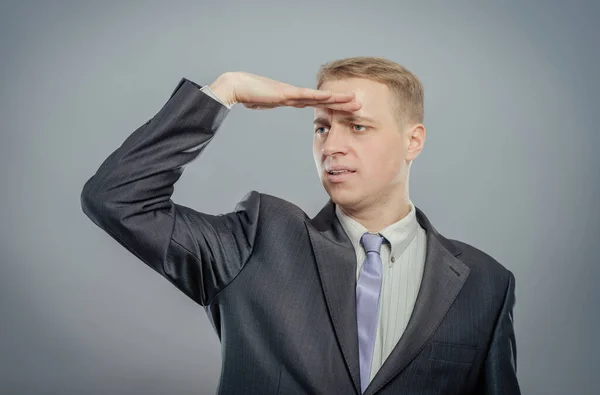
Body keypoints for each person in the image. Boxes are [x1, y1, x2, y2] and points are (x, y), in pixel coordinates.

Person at [80, 57, 521, 395]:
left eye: (357, 126)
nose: (332, 145)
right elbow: (116, 199)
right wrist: (224, 91)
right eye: (322, 128)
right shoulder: (256, 240)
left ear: (413, 140)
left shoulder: (486, 282)